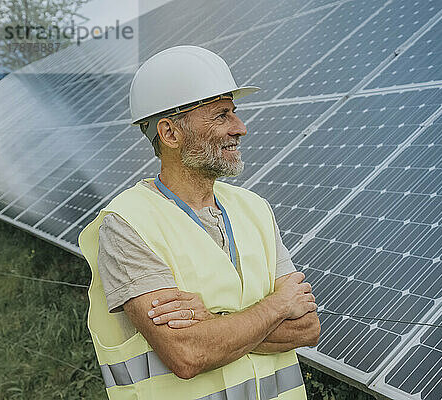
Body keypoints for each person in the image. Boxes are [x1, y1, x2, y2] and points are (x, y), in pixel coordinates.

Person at [78, 45, 320, 400]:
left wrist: (211, 322)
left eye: (234, 113)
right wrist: (276, 306)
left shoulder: (255, 209)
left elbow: (307, 329)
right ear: (170, 133)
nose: (240, 128)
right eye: (221, 116)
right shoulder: (128, 223)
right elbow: (187, 354)